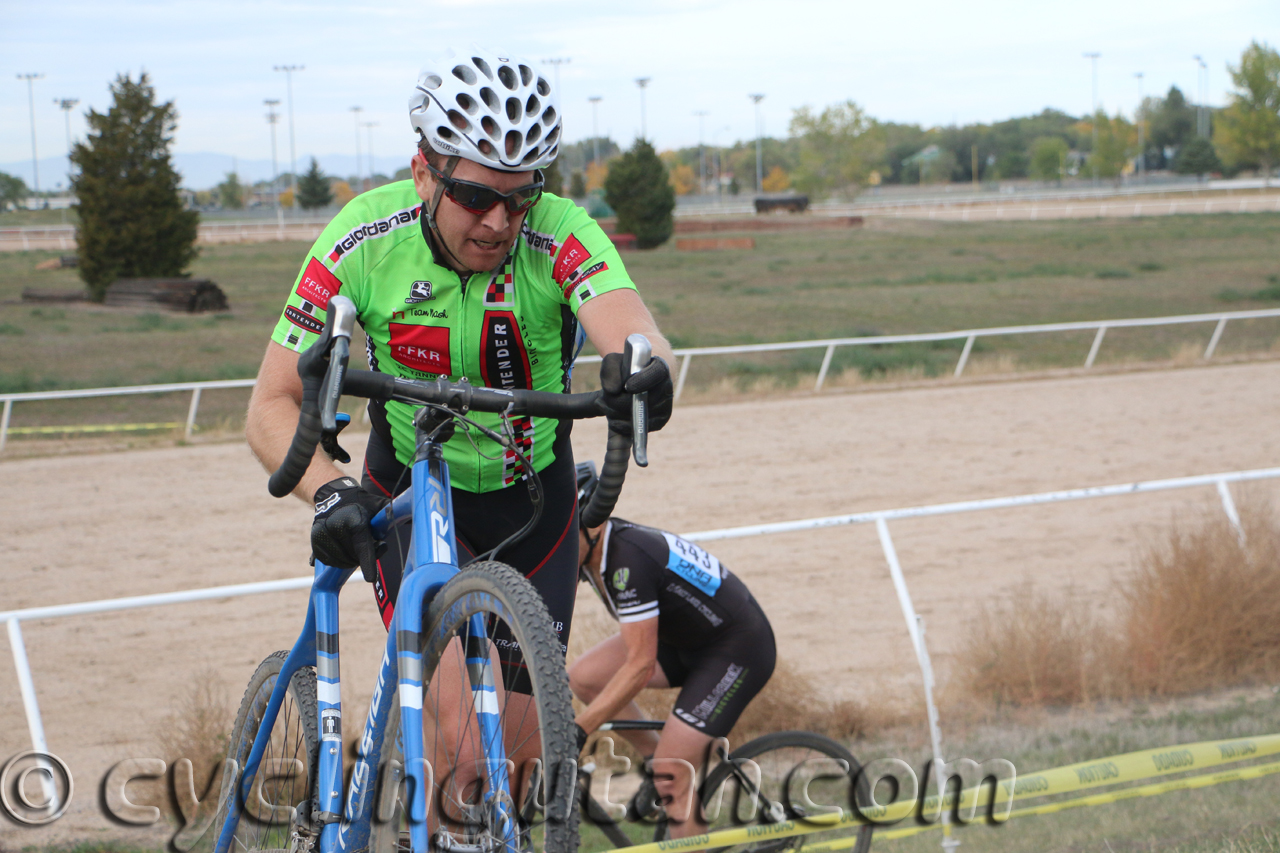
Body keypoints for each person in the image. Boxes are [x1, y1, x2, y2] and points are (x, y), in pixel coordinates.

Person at [244, 46, 675, 829]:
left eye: (519, 198)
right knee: (455, 742)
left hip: (531, 505)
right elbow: (269, 405)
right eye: (475, 195)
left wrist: (645, 371)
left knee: (506, 767)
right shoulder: (361, 238)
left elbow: (633, 326)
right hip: (408, 487)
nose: (499, 221)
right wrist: (328, 488)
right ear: (423, 172)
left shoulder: (558, 233)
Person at [569, 462, 777, 841]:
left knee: (673, 771)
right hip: (685, 640)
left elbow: (640, 667)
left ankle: (664, 772)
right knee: (584, 677)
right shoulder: (591, 556)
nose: (556, 544)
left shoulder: (626, 560)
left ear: (594, 524)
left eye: (563, 533)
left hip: (736, 648)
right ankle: (653, 761)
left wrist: (580, 728)